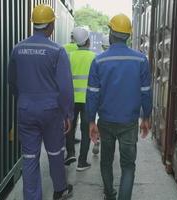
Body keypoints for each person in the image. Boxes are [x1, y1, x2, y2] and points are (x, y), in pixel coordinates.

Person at [8, 5, 74, 200]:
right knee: (55, 152)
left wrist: (23, 100)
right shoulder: (57, 51)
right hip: (51, 111)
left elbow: (12, 81)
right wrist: (67, 113)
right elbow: (65, 88)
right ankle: (59, 190)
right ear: (51, 25)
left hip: (26, 109)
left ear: (33, 25)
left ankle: (31, 197)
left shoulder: (18, 49)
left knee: (29, 157)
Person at [86, 13, 152, 200]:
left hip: (106, 121)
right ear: (128, 35)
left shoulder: (99, 61)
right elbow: (146, 92)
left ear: (111, 33)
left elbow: (92, 94)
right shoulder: (141, 60)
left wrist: (91, 120)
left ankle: (109, 194)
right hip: (129, 122)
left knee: (106, 161)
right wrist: (146, 117)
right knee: (128, 165)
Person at [64, 27, 96, 171]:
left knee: (69, 127)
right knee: (86, 130)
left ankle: (70, 152)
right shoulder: (94, 57)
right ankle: (82, 162)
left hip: (72, 99)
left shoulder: (69, 56)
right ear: (88, 41)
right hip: (88, 100)